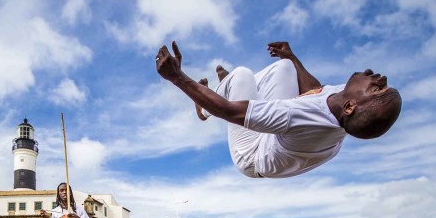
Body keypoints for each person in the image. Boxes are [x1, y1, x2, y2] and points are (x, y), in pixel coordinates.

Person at [156, 41, 402, 178]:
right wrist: (292, 57)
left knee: (241, 75)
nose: (380, 78)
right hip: (280, 142)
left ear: (350, 107)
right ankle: (228, 86)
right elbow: (315, 91)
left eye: (377, 89)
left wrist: (177, 77)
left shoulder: (300, 119)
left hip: (252, 158)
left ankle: (206, 106)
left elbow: (230, 112)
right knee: (286, 67)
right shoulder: (343, 104)